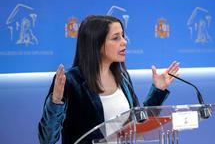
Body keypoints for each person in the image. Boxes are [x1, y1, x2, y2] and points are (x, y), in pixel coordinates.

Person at [38, 15, 180, 144]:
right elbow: (47, 139)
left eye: (123, 36)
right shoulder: (70, 81)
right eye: (116, 37)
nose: (124, 42)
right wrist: (56, 102)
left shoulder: (123, 78)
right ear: (96, 43)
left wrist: (158, 91)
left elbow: (140, 123)